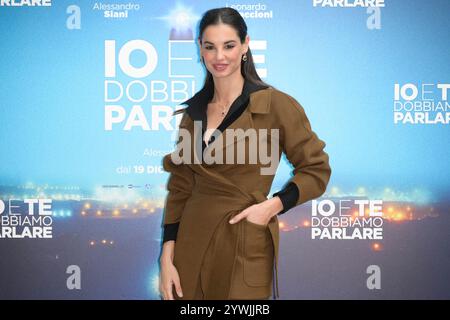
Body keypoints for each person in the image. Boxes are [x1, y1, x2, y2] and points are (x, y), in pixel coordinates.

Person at [159, 7, 331, 300]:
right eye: (210, 47)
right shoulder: (193, 114)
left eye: (229, 45)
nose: (219, 57)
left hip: (243, 238)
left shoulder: (276, 105)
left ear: (245, 45)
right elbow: (180, 188)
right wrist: (166, 255)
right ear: (200, 49)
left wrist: (272, 207)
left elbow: (316, 170)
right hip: (190, 243)